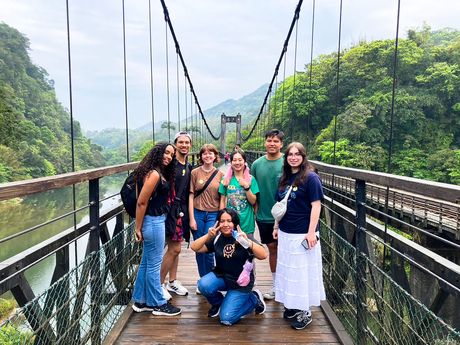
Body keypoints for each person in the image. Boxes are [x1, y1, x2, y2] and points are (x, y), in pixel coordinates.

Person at [272, 142, 326, 330]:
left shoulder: (311, 178)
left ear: (303, 157)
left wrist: (311, 232)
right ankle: (293, 306)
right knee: (289, 272)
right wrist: (276, 226)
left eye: (297, 154)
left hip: (303, 234)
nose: (293, 157)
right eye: (290, 154)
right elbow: (280, 207)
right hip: (286, 233)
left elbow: (316, 205)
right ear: (286, 158)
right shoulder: (284, 178)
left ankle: (306, 312)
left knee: (303, 273)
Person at [190, 208, 267, 325]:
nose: (225, 224)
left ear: (235, 223)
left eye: (229, 221)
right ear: (218, 223)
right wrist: (208, 235)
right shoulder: (217, 238)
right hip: (222, 277)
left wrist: (247, 242)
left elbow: (263, 255)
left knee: (226, 318)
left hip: (240, 284)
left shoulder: (242, 237)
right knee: (203, 285)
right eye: (222, 221)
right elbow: (195, 247)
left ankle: (254, 299)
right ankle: (218, 303)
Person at [131, 142, 182, 316]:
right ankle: (157, 303)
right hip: (153, 222)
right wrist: (138, 228)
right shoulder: (153, 174)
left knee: (146, 263)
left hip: (152, 221)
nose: (168, 157)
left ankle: (141, 300)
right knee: (154, 264)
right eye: (166, 153)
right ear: (157, 153)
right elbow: (142, 202)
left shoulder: (152, 171)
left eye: (171, 155)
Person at [251, 129, 284, 300]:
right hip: (264, 216)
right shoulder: (256, 165)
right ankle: (275, 286)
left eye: (276, 141)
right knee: (272, 249)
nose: (272, 144)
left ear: (281, 144)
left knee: (286, 250)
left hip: (286, 216)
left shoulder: (288, 162)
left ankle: (287, 285)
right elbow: (252, 189)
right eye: (269, 140)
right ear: (265, 142)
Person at [160, 132, 192, 300]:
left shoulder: (188, 166)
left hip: (180, 211)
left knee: (176, 248)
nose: (184, 145)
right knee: (173, 248)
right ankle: (159, 284)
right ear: (175, 144)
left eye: (187, 142)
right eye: (181, 142)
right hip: (167, 211)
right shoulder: (169, 165)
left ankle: (171, 281)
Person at [189, 144, 225, 289]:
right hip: (197, 213)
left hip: (213, 214)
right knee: (199, 248)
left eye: (211, 153)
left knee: (209, 248)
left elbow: (223, 197)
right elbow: (191, 196)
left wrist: (220, 219)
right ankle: (202, 280)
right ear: (201, 156)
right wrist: (191, 218)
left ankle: (209, 282)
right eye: (204, 153)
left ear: (215, 156)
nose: (208, 156)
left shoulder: (221, 175)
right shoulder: (194, 173)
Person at [219, 149, 259, 239]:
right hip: (229, 223)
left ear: (244, 161)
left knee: (247, 250)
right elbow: (222, 200)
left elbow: (253, 202)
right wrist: (220, 220)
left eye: (240, 160)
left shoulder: (251, 179)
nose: (237, 163)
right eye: (234, 160)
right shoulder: (225, 180)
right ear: (231, 162)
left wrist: (246, 187)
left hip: (247, 223)